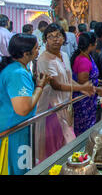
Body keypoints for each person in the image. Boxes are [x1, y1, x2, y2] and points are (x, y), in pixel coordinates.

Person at [0, 34, 50, 175]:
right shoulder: (17, 73)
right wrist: (40, 86)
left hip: (3, 127)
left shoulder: (16, 67)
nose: (38, 51)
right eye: (36, 48)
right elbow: (23, 109)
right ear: (27, 53)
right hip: (0, 130)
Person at [35, 23, 95, 163]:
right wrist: (81, 88)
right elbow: (56, 85)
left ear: (64, 38)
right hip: (51, 107)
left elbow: (68, 80)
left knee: (65, 143)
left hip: (65, 105)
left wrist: (83, 87)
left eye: (58, 35)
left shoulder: (64, 55)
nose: (55, 39)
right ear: (45, 40)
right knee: (56, 147)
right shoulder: (44, 59)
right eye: (50, 36)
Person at [70, 32, 101, 136]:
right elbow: (83, 83)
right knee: (85, 128)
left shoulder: (86, 56)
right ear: (90, 45)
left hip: (89, 97)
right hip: (84, 99)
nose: (96, 44)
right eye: (95, 43)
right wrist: (98, 89)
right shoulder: (83, 60)